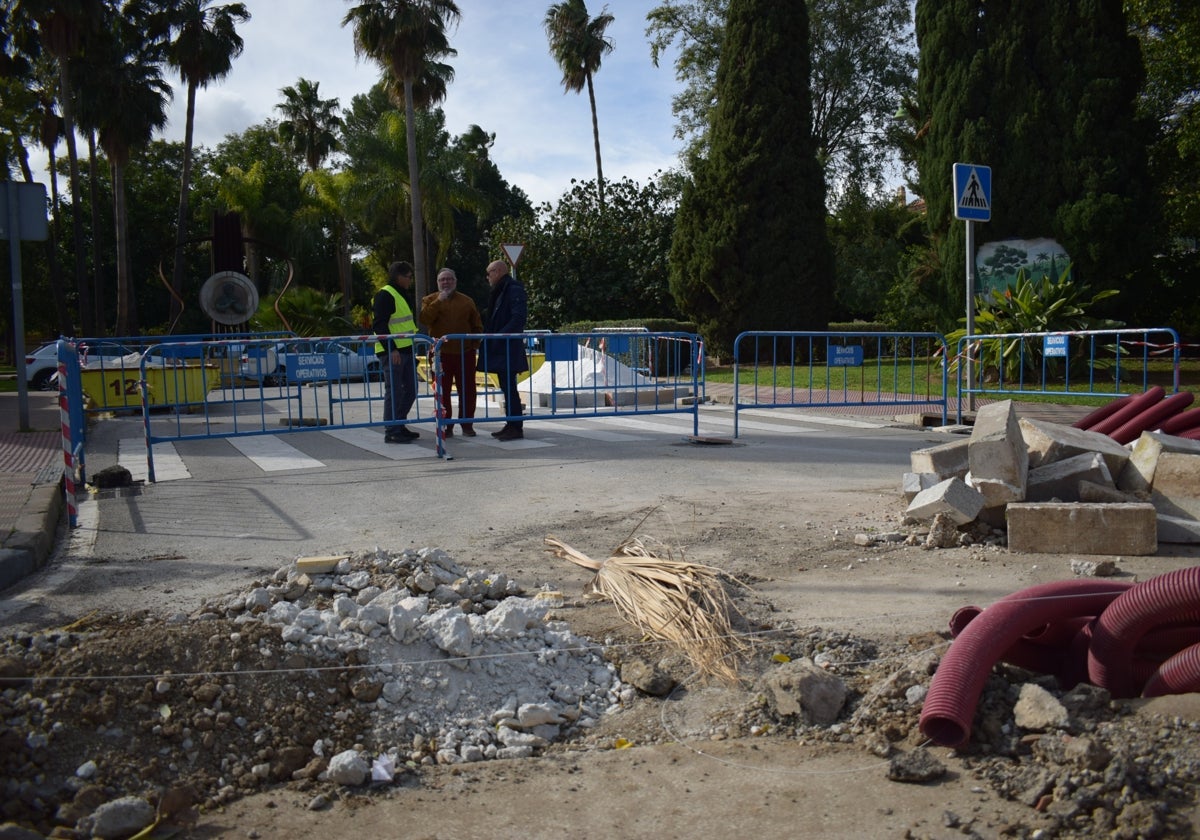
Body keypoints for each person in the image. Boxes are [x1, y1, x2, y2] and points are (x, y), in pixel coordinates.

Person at [419, 267, 483, 437]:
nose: (446, 282)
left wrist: (474, 345)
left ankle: (467, 424)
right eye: (442, 280)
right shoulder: (429, 300)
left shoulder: (467, 301)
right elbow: (424, 319)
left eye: (449, 279)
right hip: (440, 355)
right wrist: (439, 301)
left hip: (465, 353)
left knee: (468, 390)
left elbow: (477, 325)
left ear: (455, 281)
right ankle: (446, 425)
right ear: (437, 283)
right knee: (441, 391)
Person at [479, 259, 528, 441]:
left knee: (510, 388)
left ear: (498, 271)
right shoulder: (502, 289)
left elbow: (518, 318)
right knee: (507, 388)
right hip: (502, 347)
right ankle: (511, 423)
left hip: (507, 347)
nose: (488, 277)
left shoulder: (512, 289)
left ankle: (515, 426)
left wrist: (499, 336)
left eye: (489, 273)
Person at [372, 261, 419, 443]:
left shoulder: (400, 293)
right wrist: (391, 349)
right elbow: (379, 324)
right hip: (393, 352)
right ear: (399, 276)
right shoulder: (385, 294)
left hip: (405, 350)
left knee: (411, 390)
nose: (410, 280)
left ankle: (398, 424)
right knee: (395, 391)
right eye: (408, 277)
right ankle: (391, 430)